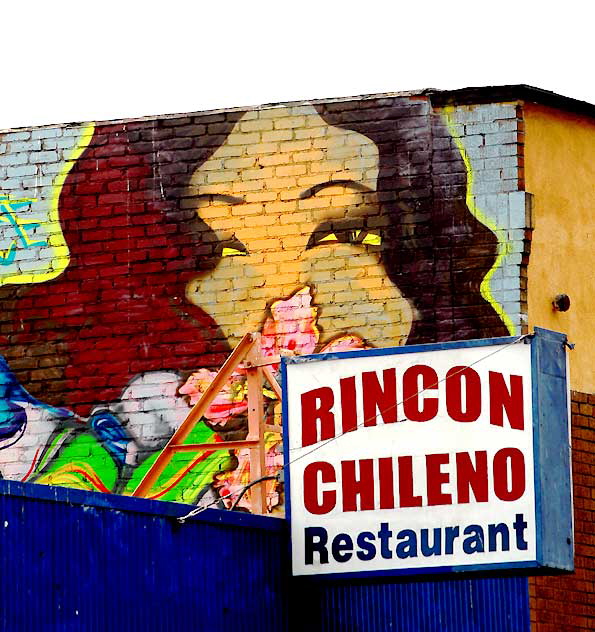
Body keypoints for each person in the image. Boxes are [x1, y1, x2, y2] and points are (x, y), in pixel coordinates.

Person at [0, 97, 508, 505]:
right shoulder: (69, 454)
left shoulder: (460, 463)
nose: (284, 289)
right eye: (226, 248)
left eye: (345, 233)